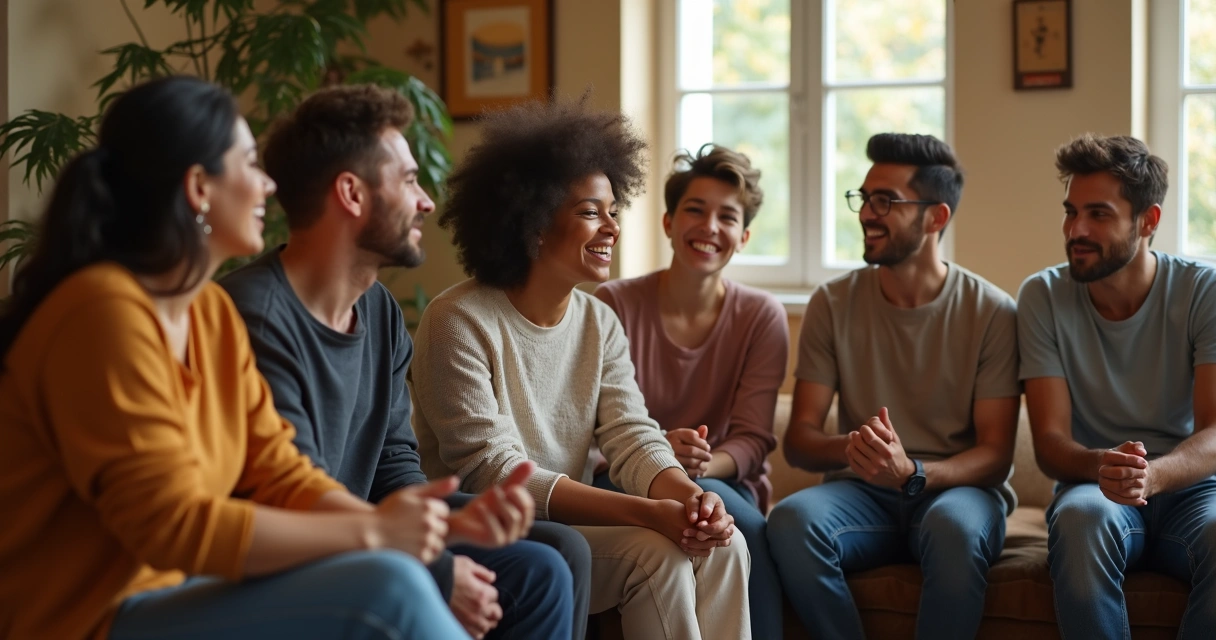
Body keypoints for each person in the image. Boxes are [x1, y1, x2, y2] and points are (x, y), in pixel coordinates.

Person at [0, 76, 469, 639]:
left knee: (391, 571)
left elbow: (277, 470)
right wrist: (374, 536)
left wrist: (389, 526)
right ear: (199, 188)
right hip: (89, 620)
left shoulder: (209, 315)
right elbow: (171, 525)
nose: (269, 185)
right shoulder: (102, 313)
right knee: (385, 588)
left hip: (185, 591)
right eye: (250, 164)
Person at [220, 83, 577, 640]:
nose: (426, 201)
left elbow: (393, 460)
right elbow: (294, 496)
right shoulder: (255, 318)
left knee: (554, 555)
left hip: (374, 533)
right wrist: (434, 567)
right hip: (297, 556)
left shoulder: (380, 310)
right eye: (409, 181)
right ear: (352, 194)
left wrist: (445, 522)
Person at [409, 98, 752, 640]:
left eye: (614, 210)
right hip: (496, 534)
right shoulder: (457, 321)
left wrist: (691, 499)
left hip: (570, 526)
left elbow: (632, 436)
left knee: (726, 540)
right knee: (655, 556)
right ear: (534, 223)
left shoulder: (599, 321)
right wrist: (647, 513)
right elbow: (494, 470)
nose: (612, 227)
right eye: (592, 211)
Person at [767, 133, 1020, 639]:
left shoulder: (992, 311)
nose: (866, 213)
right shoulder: (832, 304)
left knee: (955, 530)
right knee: (791, 522)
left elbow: (995, 455)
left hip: (959, 492)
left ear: (936, 218)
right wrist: (858, 450)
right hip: (861, 493)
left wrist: (914, 472)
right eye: (863, 198)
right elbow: (800, 441)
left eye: (886, 201)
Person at [1018, 133, 1216, 639]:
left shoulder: (1203, 291)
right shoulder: (1042, 296)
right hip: (1094, 487)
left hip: (1193, 490)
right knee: (1081, 521)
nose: (1076, 229)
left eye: (1099, 214)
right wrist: (1108, 467)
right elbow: (1050, 444)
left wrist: (1151, 476)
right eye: (1070, 211)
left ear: (1148, 221)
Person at [591, 143, 787, 639]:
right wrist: (661, 456)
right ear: (669, 223)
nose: (709, 227)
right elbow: (594, 420)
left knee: (742, 529)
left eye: (727, 217)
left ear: (742, 237)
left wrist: (700, 465)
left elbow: (753, 437)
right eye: (695, 210)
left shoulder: (762, 316)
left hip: (721, 479)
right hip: (624, 473)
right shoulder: (613, 302)